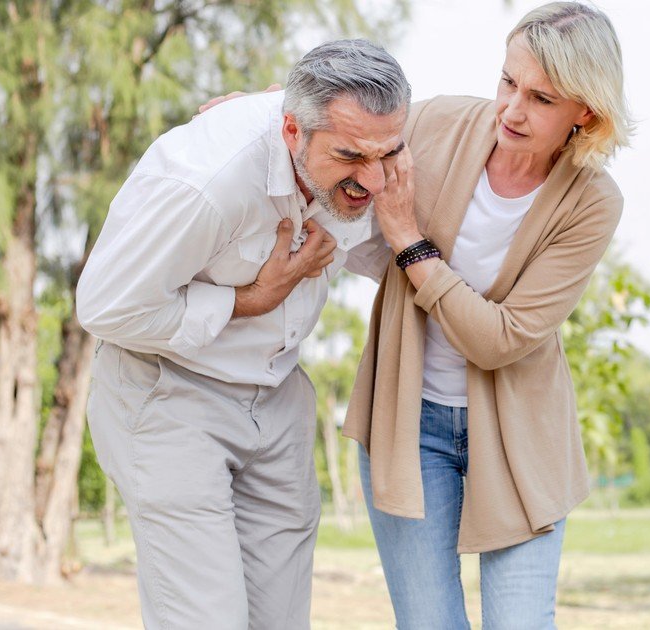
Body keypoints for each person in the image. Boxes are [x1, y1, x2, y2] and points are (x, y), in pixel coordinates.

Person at [77, 39, 409, 630]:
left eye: (387, 154)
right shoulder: (206, 181)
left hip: (277, 399)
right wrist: (251, 300)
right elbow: (106, 307)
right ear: (290, 130)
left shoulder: (360, 141)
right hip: (169, 398)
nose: (375, 180)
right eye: (350, 157)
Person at [349, 3, 632, 627]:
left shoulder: (592, 204)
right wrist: (261, 108)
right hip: (408, 424)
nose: (511, 109)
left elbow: (500, 339)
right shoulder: (441, 122)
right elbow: (342, 124)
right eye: (508, 82)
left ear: (585, 112)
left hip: (517, 438)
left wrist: (408, 242)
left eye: (540, 98)